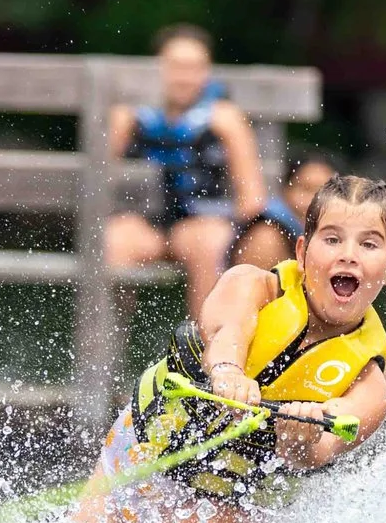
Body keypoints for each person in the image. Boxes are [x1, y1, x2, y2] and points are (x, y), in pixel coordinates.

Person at [54, 174, 386, 523]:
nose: (348, 255)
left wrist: (300, 436)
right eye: (332, 238)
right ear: (302, 251)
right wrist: (227, 370)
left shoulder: (369, 382)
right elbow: (227, 327)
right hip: (137, 459)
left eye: (369, 244)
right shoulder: (252, 284)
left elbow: (324, 446)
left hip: (231, 502)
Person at [107, 25, 298, 315]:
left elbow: (251, 198)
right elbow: (99, 182)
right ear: (156, 69)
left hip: (205, 223)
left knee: (208, 242)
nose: (184, 77)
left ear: (207, 73)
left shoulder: (225, 120)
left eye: (194, 67)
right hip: (149, 224)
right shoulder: (134, 117)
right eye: (175, 67)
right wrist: (117, 127)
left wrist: (244, 236)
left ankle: (202, 346)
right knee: (115, 240)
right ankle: (105, 349)